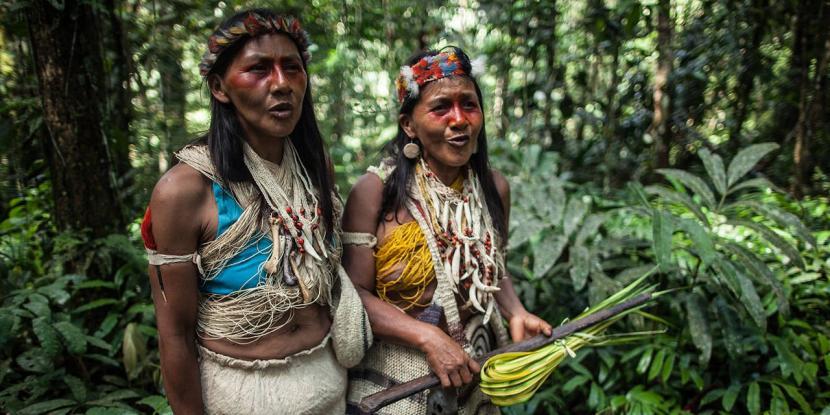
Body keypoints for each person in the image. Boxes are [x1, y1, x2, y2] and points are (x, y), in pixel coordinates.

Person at [140, 9, 370, 414]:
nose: (281, 84)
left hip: (328, 383)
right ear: (219, 87)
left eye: (292, 68)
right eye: (258, 69)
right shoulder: (184, 190)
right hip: (241, 394)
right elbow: (174, 334)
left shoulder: (315, 166)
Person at [343, 47, 552, 414]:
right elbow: (353, 295)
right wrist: (427, 337)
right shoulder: (375, 191)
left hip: (473, 372)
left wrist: (516, 312)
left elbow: (492, 267)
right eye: (441, 108)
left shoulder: (493, 188)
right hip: (395, 380)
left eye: (468, 105)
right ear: (409, 124)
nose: (459, 120)